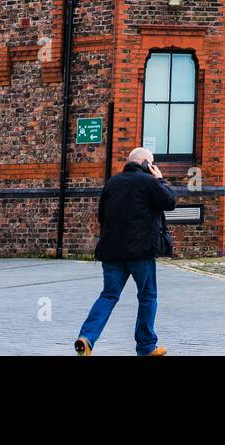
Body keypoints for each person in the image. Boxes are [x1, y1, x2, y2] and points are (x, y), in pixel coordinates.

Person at [75, 147, 176, 357]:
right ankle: (146, 347)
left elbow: (101, 215)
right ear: (147, 163)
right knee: (147, 296)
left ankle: (86, 338)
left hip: (111, 252)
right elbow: (169, 202)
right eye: (152, 163)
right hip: (140, 252)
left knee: (109, 295)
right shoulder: (149, 182)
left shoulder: (112, 183)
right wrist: (160, 180)